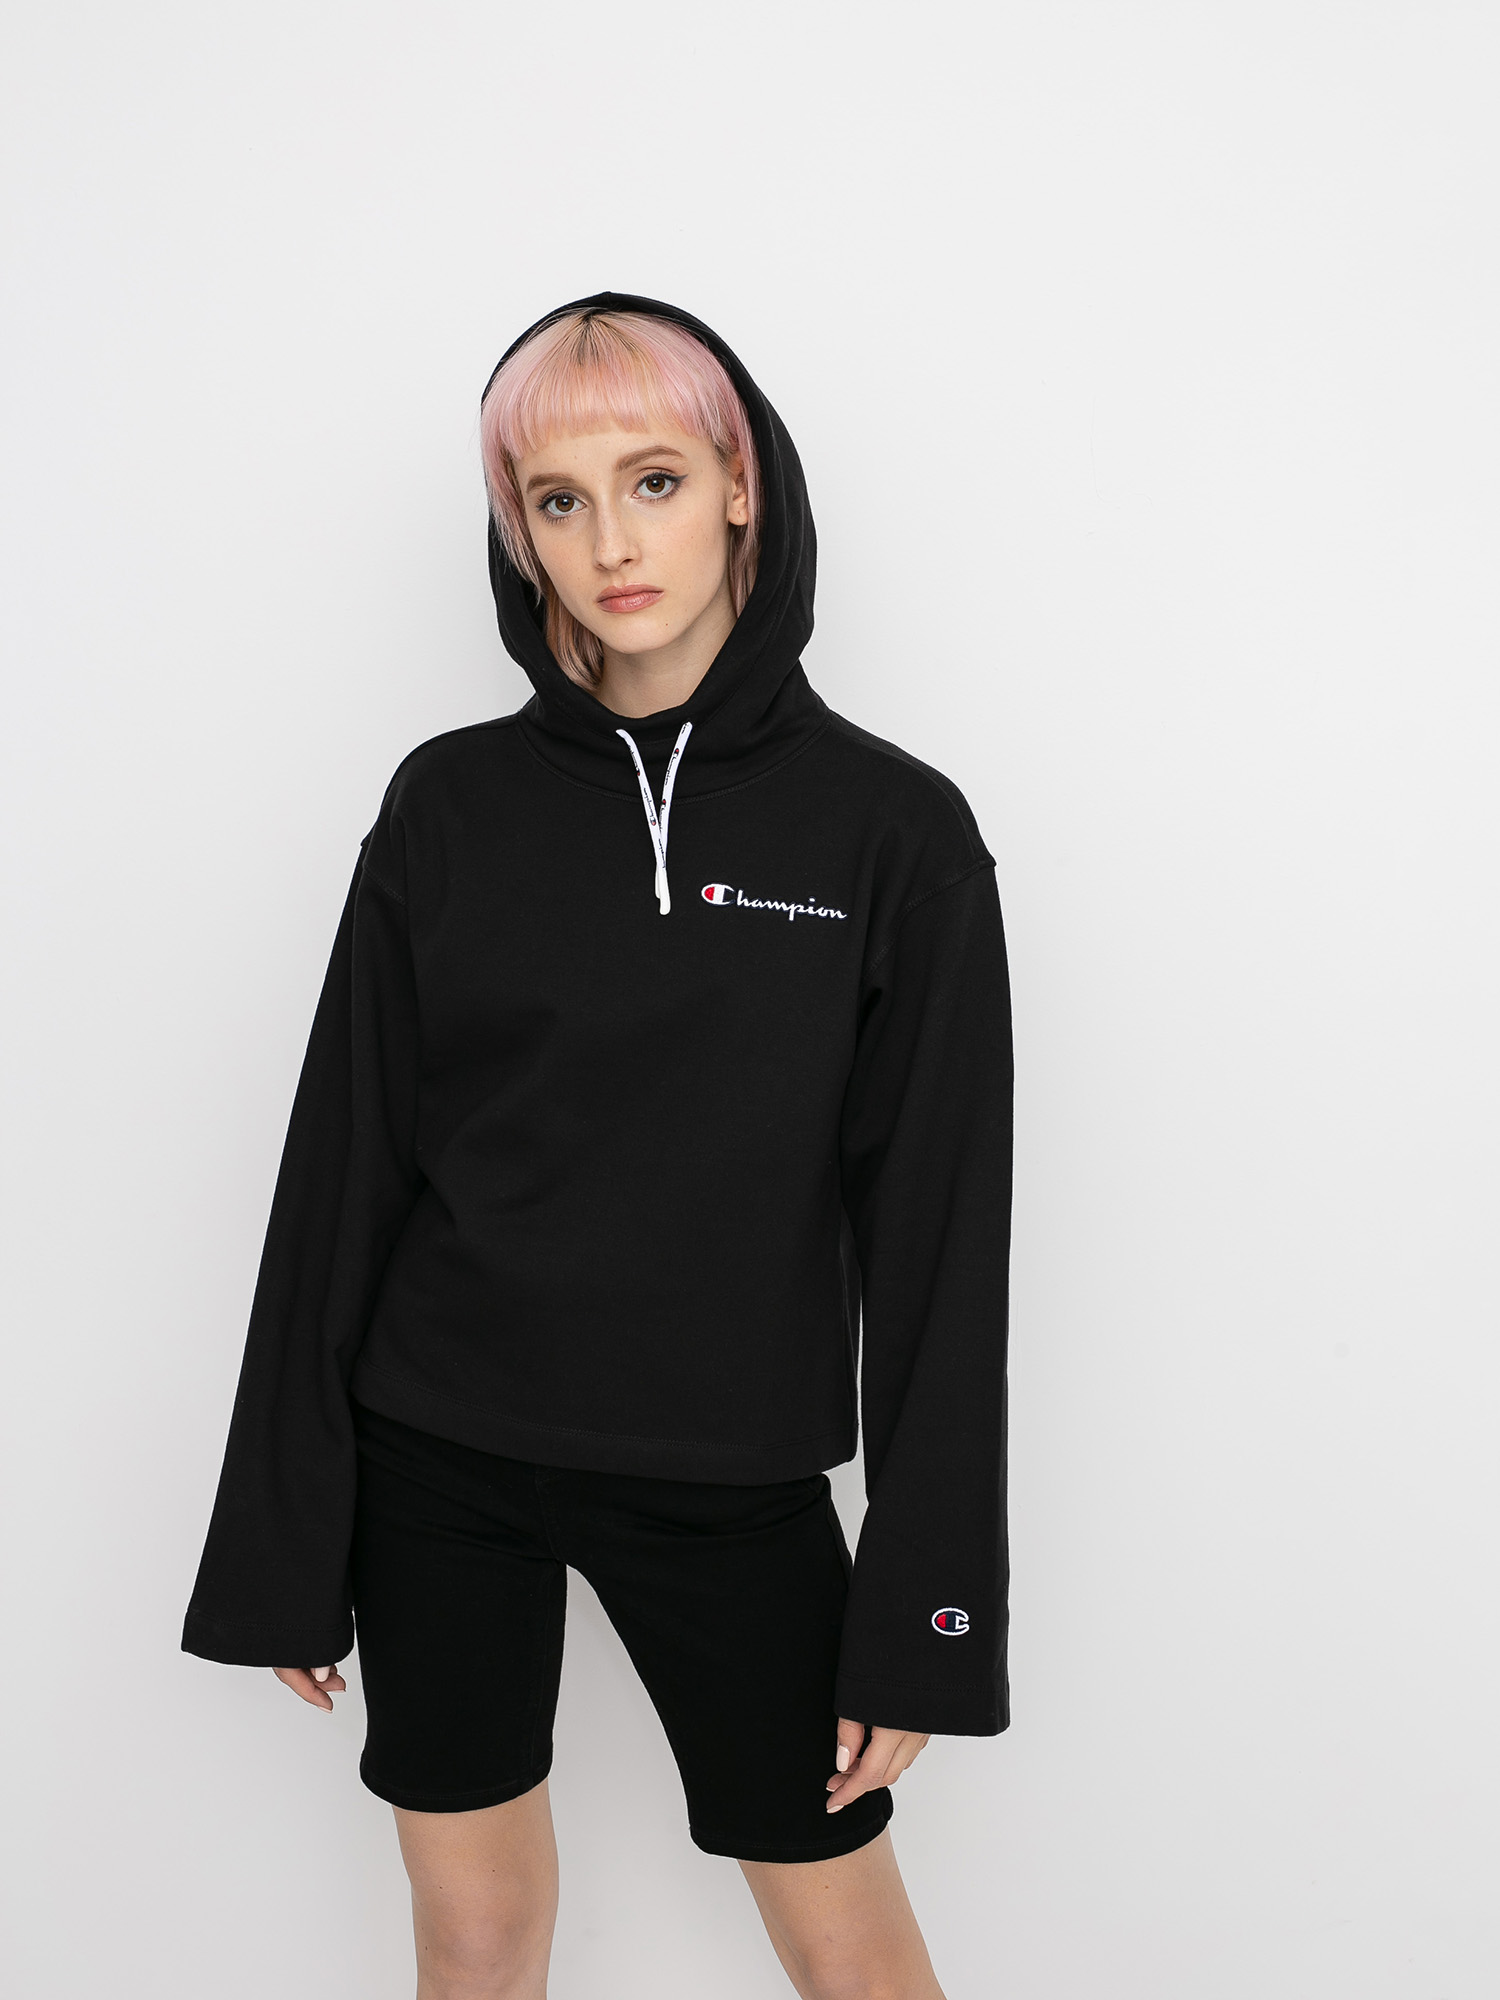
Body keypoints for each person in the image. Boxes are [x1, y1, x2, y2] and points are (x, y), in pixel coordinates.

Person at [183, 292, 1014, 2000]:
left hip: (731, 1482)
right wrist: (280, 1544)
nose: (610, 543)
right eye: (558, 500)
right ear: (519, 529)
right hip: (437, 1452)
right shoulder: (449, 805)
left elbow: (939, 1235)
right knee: (476, 1935)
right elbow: (341, 1170)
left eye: (653, 480)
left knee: (851, 1948)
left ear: (740, 490)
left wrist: (928, 1607)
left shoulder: (893, 831)